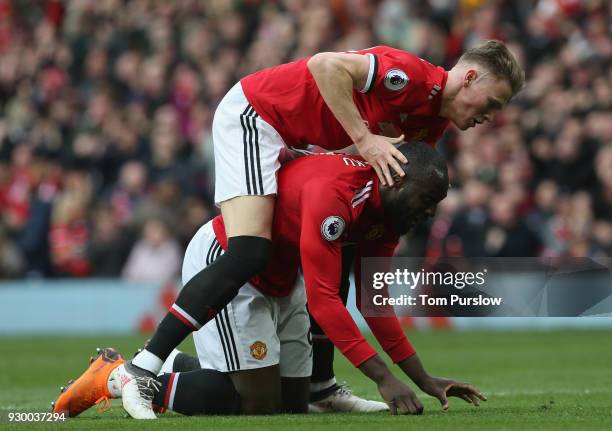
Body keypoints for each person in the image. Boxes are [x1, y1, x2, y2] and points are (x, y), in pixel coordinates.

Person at [120, 40, 521, 418]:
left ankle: (321, 385)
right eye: (493, 102)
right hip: (258, 117)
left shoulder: (432, 126)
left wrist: (420, 378)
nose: (491, 116)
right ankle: (141, 368)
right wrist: (363, 140)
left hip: (302, 147)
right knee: (248, 250)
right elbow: (324, 65)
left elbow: (375, 271)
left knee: (344, 251)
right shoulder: (412, 77)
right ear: (469, 78)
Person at [55, 143, 485, 418]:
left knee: (292, 406)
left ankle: (170, 363)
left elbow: (375, 300)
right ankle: (117, 377)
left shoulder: (387, 216)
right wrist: (382, 377)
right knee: (257, 403)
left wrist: (422, 379)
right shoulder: (335, 195)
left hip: (282, 275)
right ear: (396, 178)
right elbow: (324, 302)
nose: (428, 213)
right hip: (230, 261)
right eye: (427, 201)